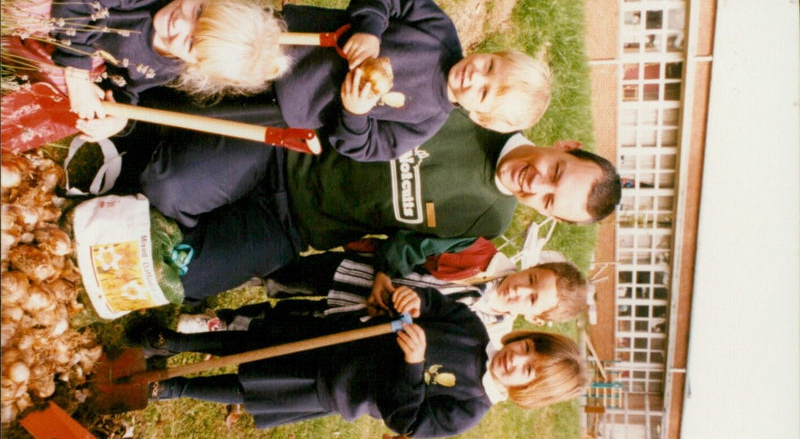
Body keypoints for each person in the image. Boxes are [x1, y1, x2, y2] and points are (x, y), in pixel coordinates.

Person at [138, 107, 621, 300]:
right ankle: (137, 148)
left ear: (548, 216)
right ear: (566, 146)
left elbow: (410, 245)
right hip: (288, 150)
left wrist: (387, 275)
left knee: (180, 280)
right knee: (165, 189)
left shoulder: (488, 220)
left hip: (293, 226)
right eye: (556, 171)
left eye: (549, 200)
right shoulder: (483, 110)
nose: (536, 184)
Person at [134, 284, 588, 439]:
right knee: (253, 342)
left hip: (333, 387)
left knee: (248, 386)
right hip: (337, 338)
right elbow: (432, 303)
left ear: (529, 391)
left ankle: (175, 387)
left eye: (528, 371)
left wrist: (413, 365)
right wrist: (415, 299)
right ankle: (174, 344)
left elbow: (406, 420)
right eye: (527, 348)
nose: (517, 359)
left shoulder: (469, 408)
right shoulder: (471, 329)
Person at [4, 0, 289, 141]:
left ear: (195, 64)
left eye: (190, 42)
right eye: (199, 12)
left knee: (75, 104)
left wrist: (118, 117)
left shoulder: (168, 66)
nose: (180, 22)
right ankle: (14, 23)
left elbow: (128, 86)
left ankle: (15, 52)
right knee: (30, 7)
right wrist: (77, 74)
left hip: (78, 38)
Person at [268, 0, 552, 160]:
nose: (475, 76)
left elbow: (365, 147)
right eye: (489, 66)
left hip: (288, 104)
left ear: (480, 118)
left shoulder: (426, 122)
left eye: (483, 92)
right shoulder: (440, 32)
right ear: (494, 53)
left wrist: (355, 113)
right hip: (295, 36)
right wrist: (369, 30)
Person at [185, 250, 589, 345]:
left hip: (359, 320)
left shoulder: (486, 332)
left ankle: (218, 323)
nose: (520, 289)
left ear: (536, 318)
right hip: (356, 273)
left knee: (284, 322)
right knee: (281, 275)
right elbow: (421, 248)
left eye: (532, 299)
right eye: (531, 278)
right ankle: (209, 277)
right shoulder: (483, 257)